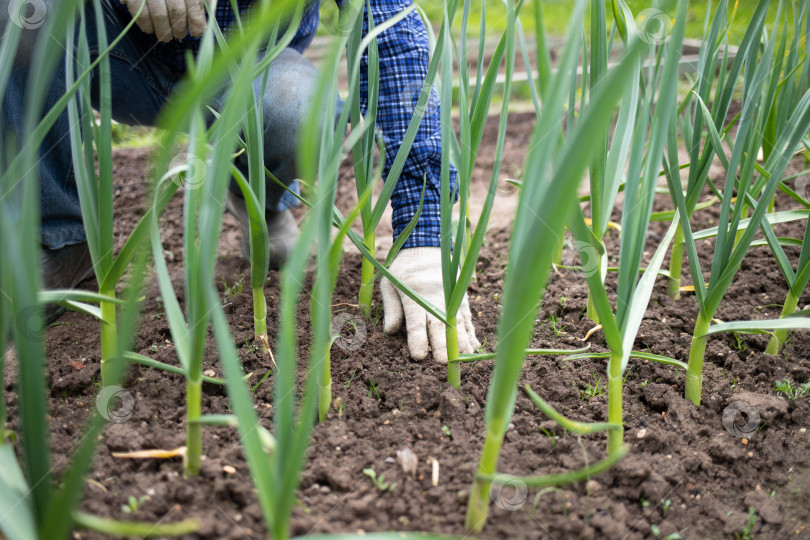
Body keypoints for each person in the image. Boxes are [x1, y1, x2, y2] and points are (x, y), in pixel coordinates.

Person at [0, 0, 479, 363]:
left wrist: (423, 233)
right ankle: (56, 235)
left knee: (297, 109)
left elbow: (394, 33)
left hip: (247, 73)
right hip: (108, 52)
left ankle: (259, 194)